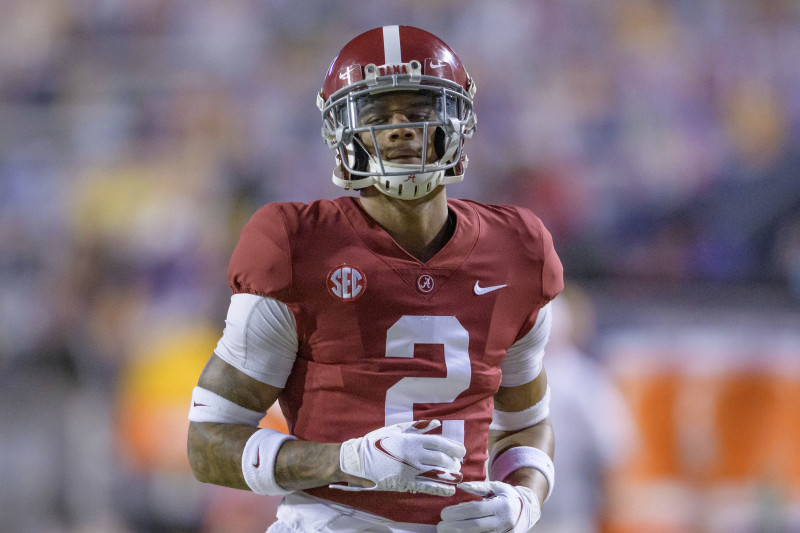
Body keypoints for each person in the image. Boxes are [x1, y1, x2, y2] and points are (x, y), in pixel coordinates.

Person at [187, 25, 563, 532]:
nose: (400, 129)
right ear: (342, 132)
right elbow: (209, 441)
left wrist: (524, 502)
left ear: (457, 121)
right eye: (378, 116)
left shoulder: (517, 249)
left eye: (418, 111)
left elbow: (528, 425)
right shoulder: (296, 245)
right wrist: (347, 461)